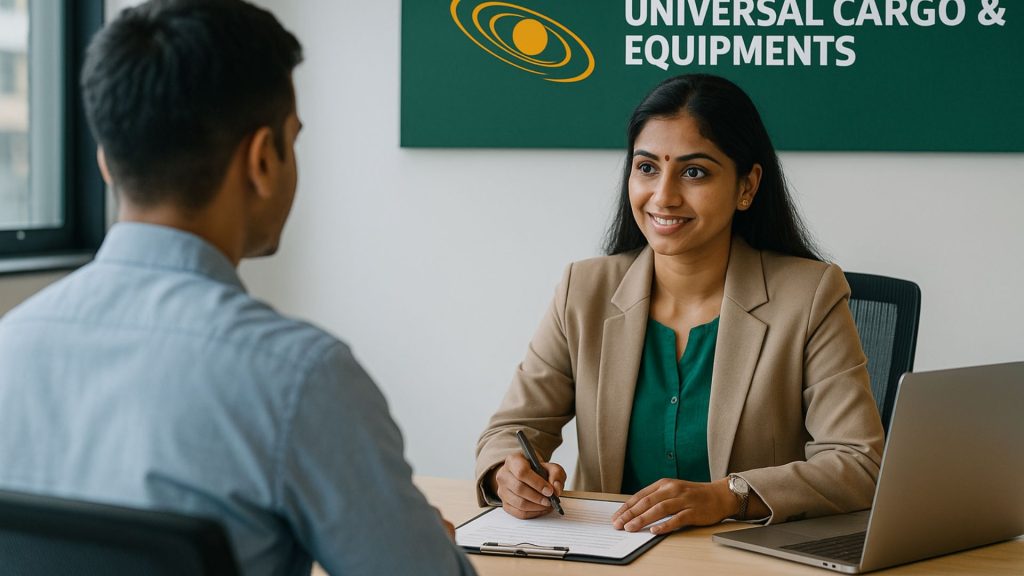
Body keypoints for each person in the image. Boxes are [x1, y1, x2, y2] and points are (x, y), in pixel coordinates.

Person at [0, 1, 475, 574]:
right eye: (292, 141)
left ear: (106, 161)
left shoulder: (10, 347)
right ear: (263, 159)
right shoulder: (301, 378)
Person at [475, 74, 885, 534]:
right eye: (647, 167)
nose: (663, 195)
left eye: (694, 172)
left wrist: (727, 497)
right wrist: (505, 475)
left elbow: (857, 463)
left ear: (746, 186)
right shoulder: (584, 290)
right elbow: (509, 432)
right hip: (609, 557)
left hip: (742, 561)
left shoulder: (810, 296)